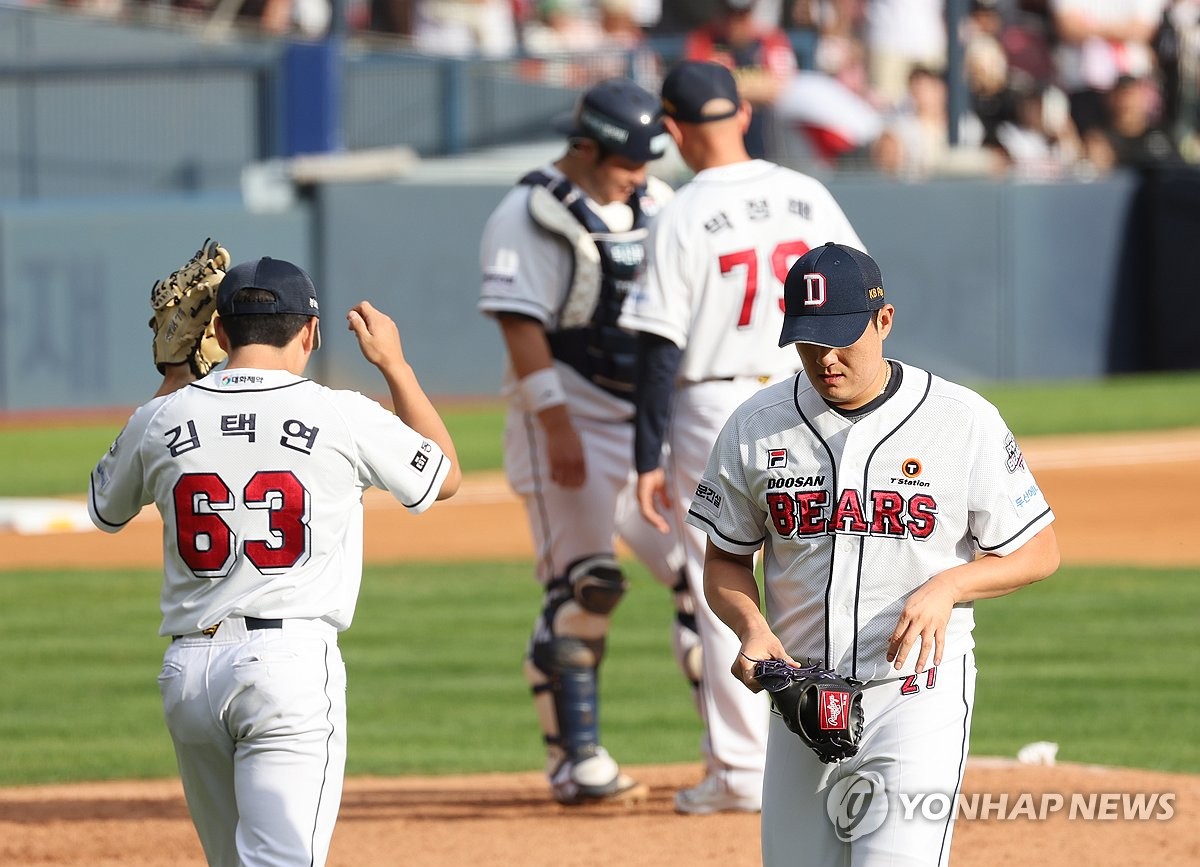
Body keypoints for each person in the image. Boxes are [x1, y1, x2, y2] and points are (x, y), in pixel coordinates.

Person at [685, 242, 1061, 865]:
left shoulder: (961, 419)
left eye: (841, 339)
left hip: (916, 698)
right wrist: (750, 628)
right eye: (808, 343)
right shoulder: (756, 424)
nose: (825, 359)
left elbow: (1038, 551)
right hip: (799, 698)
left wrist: (949, 587)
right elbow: (724, 559)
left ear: (883, 322)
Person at [87, 255, 462, 867]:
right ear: (309, 334)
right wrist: (395, 364)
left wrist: (176, 372)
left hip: (189, 677)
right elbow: (442, 476)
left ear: (222, 335)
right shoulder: (341, 411)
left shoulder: (161, 416)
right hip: (286, 672)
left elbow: (104, 507)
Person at [618, 60, 865, 815]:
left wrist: (645, 455)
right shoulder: (806, 191)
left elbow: (659, 346)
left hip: (715, 401)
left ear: (673, 128)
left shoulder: (683, 211)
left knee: (716, 571)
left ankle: (736, 769)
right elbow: (860, 288)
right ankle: (846, 730)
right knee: (823, 558)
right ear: (743, 116)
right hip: (812, 386)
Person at [477, 77, 689, 807]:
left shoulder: (655, 203)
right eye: (630, 158)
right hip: (569, 409)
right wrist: (556, 424)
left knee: (701, 578)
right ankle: (576, 760)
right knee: (587, 585)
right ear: (588, 147)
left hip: (644, 419)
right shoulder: (527, 211)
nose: (643, 171)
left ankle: (739, 755)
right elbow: (520, 323)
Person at [683, 0, 799, 157]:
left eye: (742, 14)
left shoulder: (770, 39)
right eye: (730, 13)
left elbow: (779, 89)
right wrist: (754, 87)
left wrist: (724, 88)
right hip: (718, 146)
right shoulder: (704, 40)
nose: (735, 22)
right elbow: (695, 89)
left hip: (767, 143)